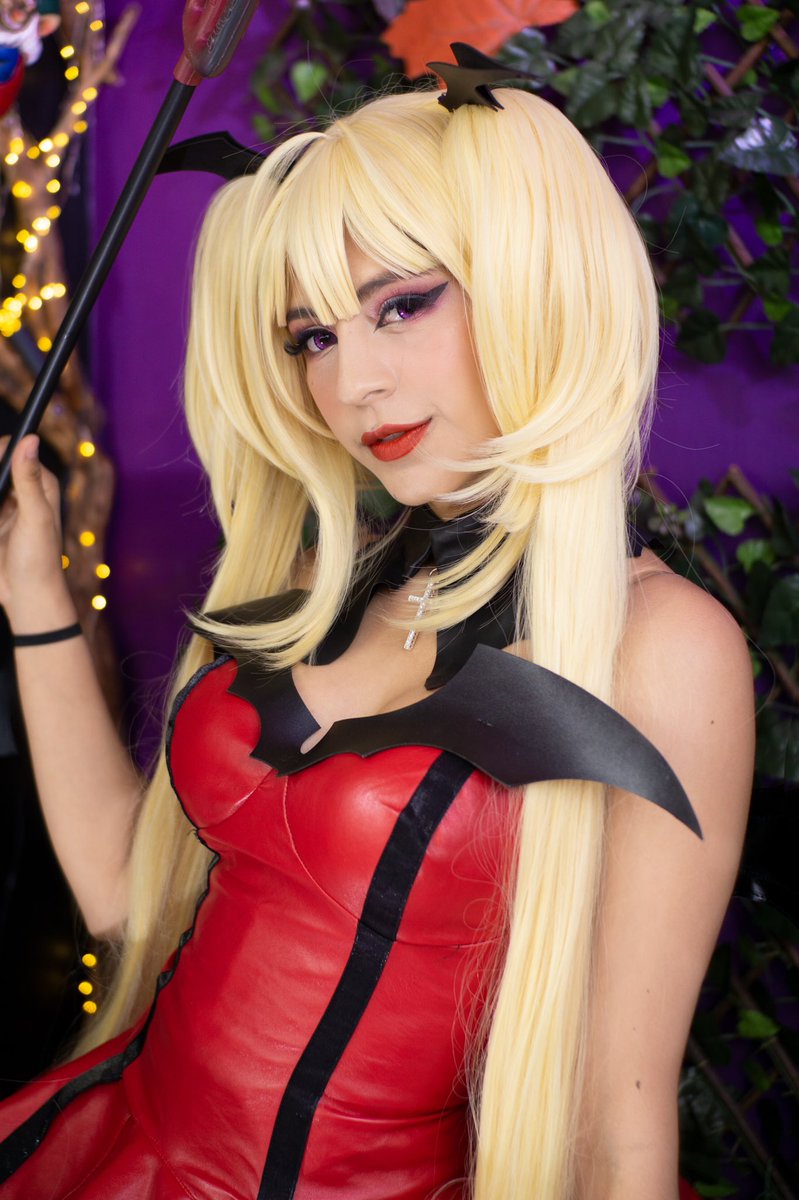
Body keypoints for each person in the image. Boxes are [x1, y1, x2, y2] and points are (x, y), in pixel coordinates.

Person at [0, 78, 753, 1200]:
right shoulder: (326, 580)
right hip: (117, 1152)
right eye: (313, 335)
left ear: (532, 277)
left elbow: (612, 1126)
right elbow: (126, 895)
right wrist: (32, 594)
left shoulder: (661, 646)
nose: (350, 382)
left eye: (400, 304)